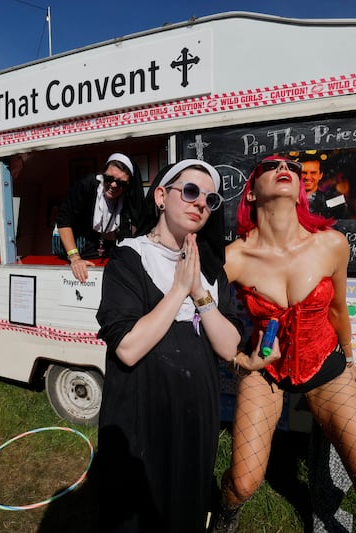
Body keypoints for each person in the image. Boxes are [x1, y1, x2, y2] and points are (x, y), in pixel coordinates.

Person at [212, 156, 356, 532]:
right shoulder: (234, 257)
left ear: (301, 193)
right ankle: (225, 511)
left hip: (324, 363)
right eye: (270, 166)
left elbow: (339, 310)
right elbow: (202, 314)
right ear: (252, 193)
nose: (285, 167)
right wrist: (240, 358)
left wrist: (351, 359)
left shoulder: (332, 245)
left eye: (291, 166)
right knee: (243, 482)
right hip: (267, 371)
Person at [92, 159, 245, 532]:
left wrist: (199, 294)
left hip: (197, 415)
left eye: (210, 200)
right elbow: (128, 347)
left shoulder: (211, 270)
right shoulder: (129, 259)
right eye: (190, 192)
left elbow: (229, 347)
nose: (200, 204)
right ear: (161, 196)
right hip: (142, 416)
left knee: (185, 506)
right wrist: (178, 291)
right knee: (140, 510)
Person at [54, 152, 145, 282]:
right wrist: (74, 257)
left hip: (97, 249)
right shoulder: (85, 185)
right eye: (109, 179)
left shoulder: (126, 199)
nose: (113, 185)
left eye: (121, 183)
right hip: (72, 245)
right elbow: (64, 221)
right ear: (103, 175)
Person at [298, 154, 348, 220]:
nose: (307, 177)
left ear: (320, 175)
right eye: (303, 173)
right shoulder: (287, 199)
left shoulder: (334, 200)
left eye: (313, 173)